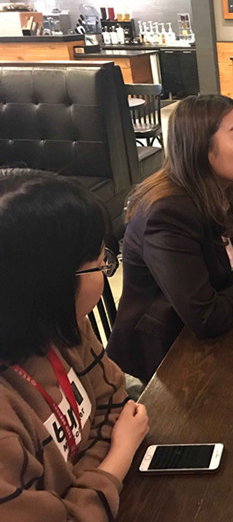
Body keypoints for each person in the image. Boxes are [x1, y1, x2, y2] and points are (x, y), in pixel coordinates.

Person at [107, 95, 233, 382]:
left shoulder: (224, 188)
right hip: (161, 359)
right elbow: (205, 316)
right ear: (203, 150)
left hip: (201, 339)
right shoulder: (167, 214)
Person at [0, 169, 149, 520]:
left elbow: (115, 403)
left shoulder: (63, 324)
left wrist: (75, 491)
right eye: (98, 263)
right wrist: (117, 457)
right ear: (48, 283)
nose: (105, 271)